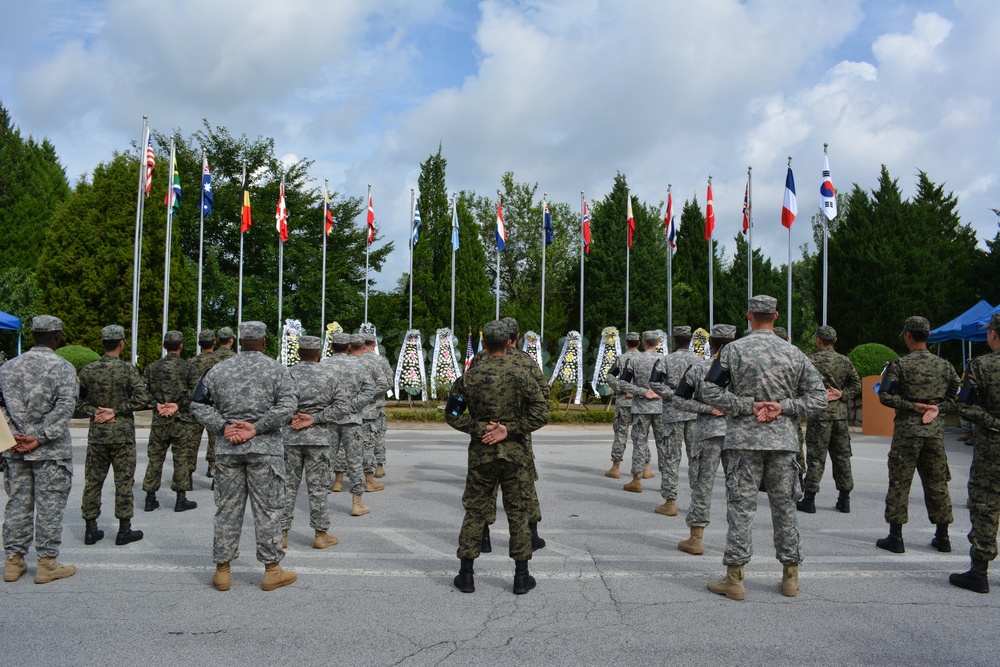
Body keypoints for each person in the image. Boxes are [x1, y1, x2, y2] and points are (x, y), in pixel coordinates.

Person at [699, 296, 827, 600]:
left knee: (741, 509)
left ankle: (735, 578)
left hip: (744, 441)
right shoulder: (793, 353)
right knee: (784, 508)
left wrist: (746, 405)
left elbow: (708, 390)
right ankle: (790, 577)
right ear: (775, 315)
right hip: (782, 442)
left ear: (749, 316)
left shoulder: (733, 350)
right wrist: (783, 407)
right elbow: (819, 398)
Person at [190, 321, 298, 592]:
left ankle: (223, 571)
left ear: (239, 342)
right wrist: (257, 428)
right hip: (266, 450)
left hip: (228, 449)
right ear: (263, 342)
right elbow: (288, 406)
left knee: (227, 510)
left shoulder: (217, 370)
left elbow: (197, 404)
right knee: (269, 510)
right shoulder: (277, 370)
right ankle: (272, 570)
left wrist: (224, 426)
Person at [446, 320, 548, 595]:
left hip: (481, 456)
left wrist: (481, 428)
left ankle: (466, 575)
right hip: (515, 454)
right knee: (518, 513)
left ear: (484, 345)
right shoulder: (522, 374)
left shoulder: (469, 377)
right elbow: (542, 413)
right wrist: (508, 429)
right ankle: (521, 577)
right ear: (509, 342)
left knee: (475, 511)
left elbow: (451, 415)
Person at [1, 315, 78, 584]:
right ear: (57, 336)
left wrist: (14, 435)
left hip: (15, 448)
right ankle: (46, 564)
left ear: (33, 336)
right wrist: (40, 437)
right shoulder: (63, 367)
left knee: (17, 504)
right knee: (50, 506)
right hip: (50, 451)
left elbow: (1, 408)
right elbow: (65, 407)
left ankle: (14, 562)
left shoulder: (8, 367)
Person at [876, 316, 960, 554]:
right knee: (937, 483)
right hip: (933, 433)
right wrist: (937, 408)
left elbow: (885, 396)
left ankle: (896, 537)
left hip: (907, 433)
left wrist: (913, 406)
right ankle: (943, 537)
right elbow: (958, 399)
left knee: (900, 482)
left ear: (908, 335)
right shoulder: (945, 366)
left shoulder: (898, 365)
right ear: (928, 336)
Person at [77, 324, 149, 546]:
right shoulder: (127, 370)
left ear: (102, 343)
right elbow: (141, 399)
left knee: (93, 482)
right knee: (124, 482)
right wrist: (116, 411)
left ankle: (90, 530)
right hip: (122, 435)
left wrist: (96, 411)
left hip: (98, 435)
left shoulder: (88, 370)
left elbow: (78, 402)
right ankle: (124, 530)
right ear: (121, 343)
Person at [946, 312, 1000, 593]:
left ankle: (979, 572)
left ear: (992, 334)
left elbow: (964, 406)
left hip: (992, 449)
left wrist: (993, 423)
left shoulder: (981, 365)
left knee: (985, 505)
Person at [671, 324, 736, 555]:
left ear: (711, 343)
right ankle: (735, 541)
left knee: (702, 485)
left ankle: (696, 539)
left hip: (708, 434)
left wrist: (706, 408)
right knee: (737, 489)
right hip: (736, 434)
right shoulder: (744, 369)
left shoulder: (699, 368)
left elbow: (679, 400)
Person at [281, 336, 347, 550]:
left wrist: (291, 416)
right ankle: (320, 534)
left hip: (290, 437)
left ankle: (282, 534)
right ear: (318, 353)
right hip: (318, 439)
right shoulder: (329, 374)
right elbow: (342, 407)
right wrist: (315, 418)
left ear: (299, 353)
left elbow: (273, 404)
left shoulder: (286, 374)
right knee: (318, 488)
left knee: (287, 487)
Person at [799, 325, 862, 514]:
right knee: (842, 457)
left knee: (816, 458)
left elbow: (799, 384)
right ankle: (844, 499)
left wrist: (815, 396)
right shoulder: (845, 361)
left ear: (818, 340)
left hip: (819, 415)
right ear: (835, 341)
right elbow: (856, 385)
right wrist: (841, 394)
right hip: (840, 416)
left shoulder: (809, 360)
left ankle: (809, 499)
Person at [141, 331, 201, 513]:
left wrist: (157, 405)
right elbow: (196, 392)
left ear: (164, 346)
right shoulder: (188, 368)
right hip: (180, 420)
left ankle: (150, 498)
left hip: (160, 420)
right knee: (181, 458)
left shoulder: (152, 368)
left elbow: (142, 392)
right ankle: (180, 499)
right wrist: (177, 404)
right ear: (181, 345)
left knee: (155, 458)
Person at [323, 333, 377, 516]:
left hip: (329, 419)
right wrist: (353, 406)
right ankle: (357, 503)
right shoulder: (357, 365)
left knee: (325, 460)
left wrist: (328, 408)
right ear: (348, 347)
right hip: (352, 420)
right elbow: (370, 389)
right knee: (354, 461)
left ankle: (321, 501)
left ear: (331, 347)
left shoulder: (323, 365)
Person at [652, 325, 701, 516]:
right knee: (695, 457)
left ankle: (670, 501)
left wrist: (672, 395)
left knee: (671, 457)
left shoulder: (665, 360)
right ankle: (698, 500)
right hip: (694, 413)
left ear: (675, 340)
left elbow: (654, 382)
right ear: (689, 340)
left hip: (673, 414)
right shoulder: (699, 361)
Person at [616, 331, 667, 493]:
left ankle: (637, 480)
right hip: (660, 408)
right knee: (664, 445)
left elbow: (623, 383)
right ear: (657, 343)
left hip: (641, 408)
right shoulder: (665, 360)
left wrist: (641, 391)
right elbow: (674, 385)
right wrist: (660, 392)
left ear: (644, 343)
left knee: (639, 443)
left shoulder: (634, 359)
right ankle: (667, 482)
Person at [349, 333, 389, 492]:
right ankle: (376, 468)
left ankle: (339, 478)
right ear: (372, 344)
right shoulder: (378, 361)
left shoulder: (345, 361)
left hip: (347, 409)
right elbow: (387, 383)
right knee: (372, 440)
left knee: (346, 443)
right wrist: (367, 397)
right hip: (373, 407)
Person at [605, 332, 641, 479]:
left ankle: (616, 467)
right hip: (641, 402)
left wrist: (623, 389)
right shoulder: (645, 359)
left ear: (627, 343)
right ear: (639, 343)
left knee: (621, 433)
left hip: (624, 401)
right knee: (641, 435)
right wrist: (639, 392)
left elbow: (610, 376)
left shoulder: (621, 359)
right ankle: (644, 468)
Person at [363, 332, 394, 479]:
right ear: (375, 344)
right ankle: (379, 466)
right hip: (377, 405)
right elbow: (388, 382)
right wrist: (371, 394)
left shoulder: (353, 361)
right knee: (378, 435)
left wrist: (361, 396)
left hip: (356, 407)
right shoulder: (381, 361)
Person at [191, 329, 221, 478]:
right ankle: (213, 471)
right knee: (214, 441)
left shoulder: (191, 363)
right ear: (214, 343)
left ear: (199, 344)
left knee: (192, 442)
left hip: (196, 407)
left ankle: (187, 474)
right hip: (214, 408)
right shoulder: (220, 364)